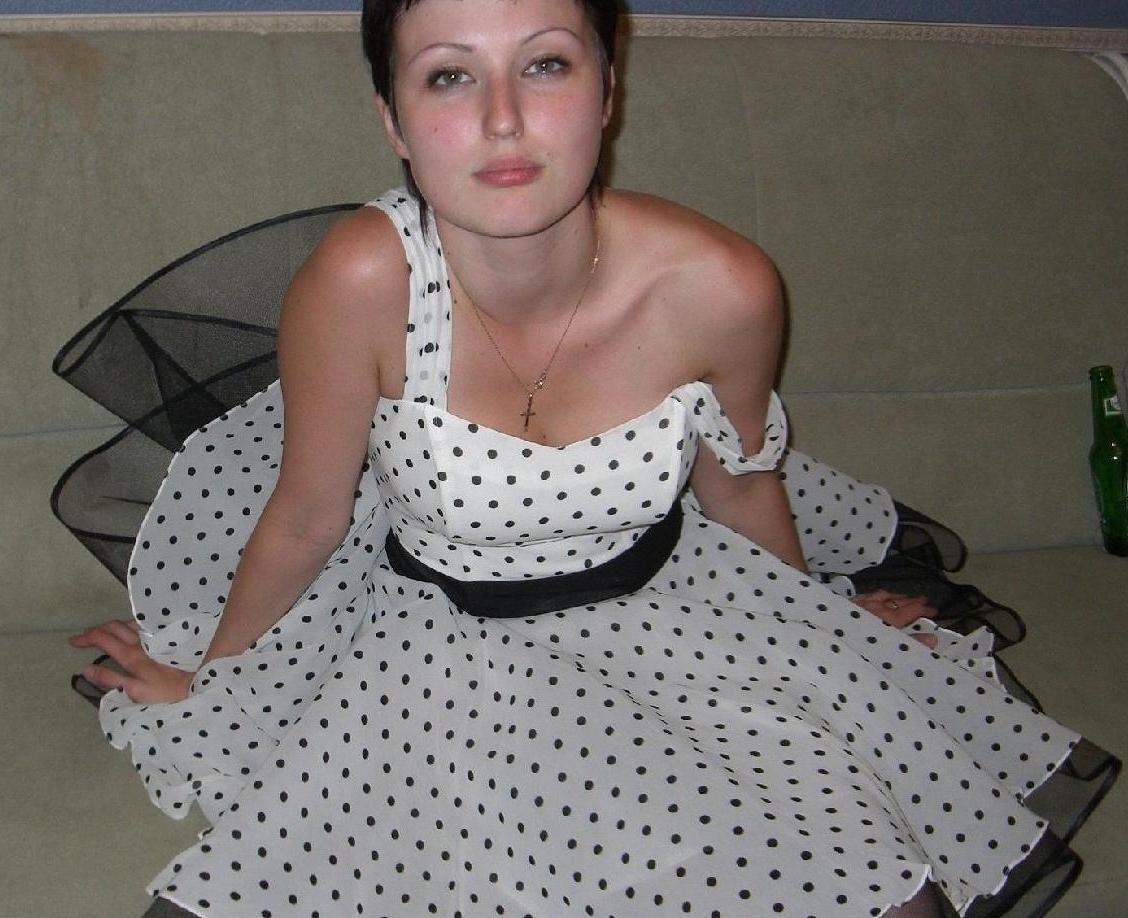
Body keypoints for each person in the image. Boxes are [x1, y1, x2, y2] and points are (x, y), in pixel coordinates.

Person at [66, 0, 1113, 915]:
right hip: (438, 656)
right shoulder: (360, 281)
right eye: (449, 76)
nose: (503, 118)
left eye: (546, 63)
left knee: (885, 896)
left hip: (674, 613)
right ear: (391, 118)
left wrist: (814, 631)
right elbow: (307, 513)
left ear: (608, 89)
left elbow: (742, 491)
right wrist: (219, 682)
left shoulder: (721, 285)